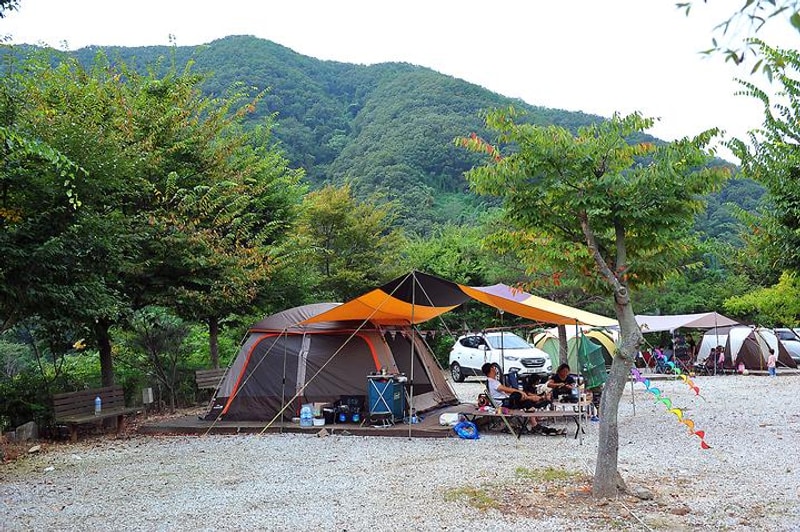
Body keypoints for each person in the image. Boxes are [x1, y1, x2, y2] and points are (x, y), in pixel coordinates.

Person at [481, 363, 560, 435]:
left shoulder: (492, 381)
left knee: (526, 401)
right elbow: (506, 389)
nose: (495, 369)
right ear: (491, 369)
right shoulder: (492, 382)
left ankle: (534, 424)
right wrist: (520, 392)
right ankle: (532, 402)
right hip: (503, 404)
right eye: (494, 368)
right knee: (518, 395)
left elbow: (504, 392)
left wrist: (520, 393)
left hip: (505, 401)